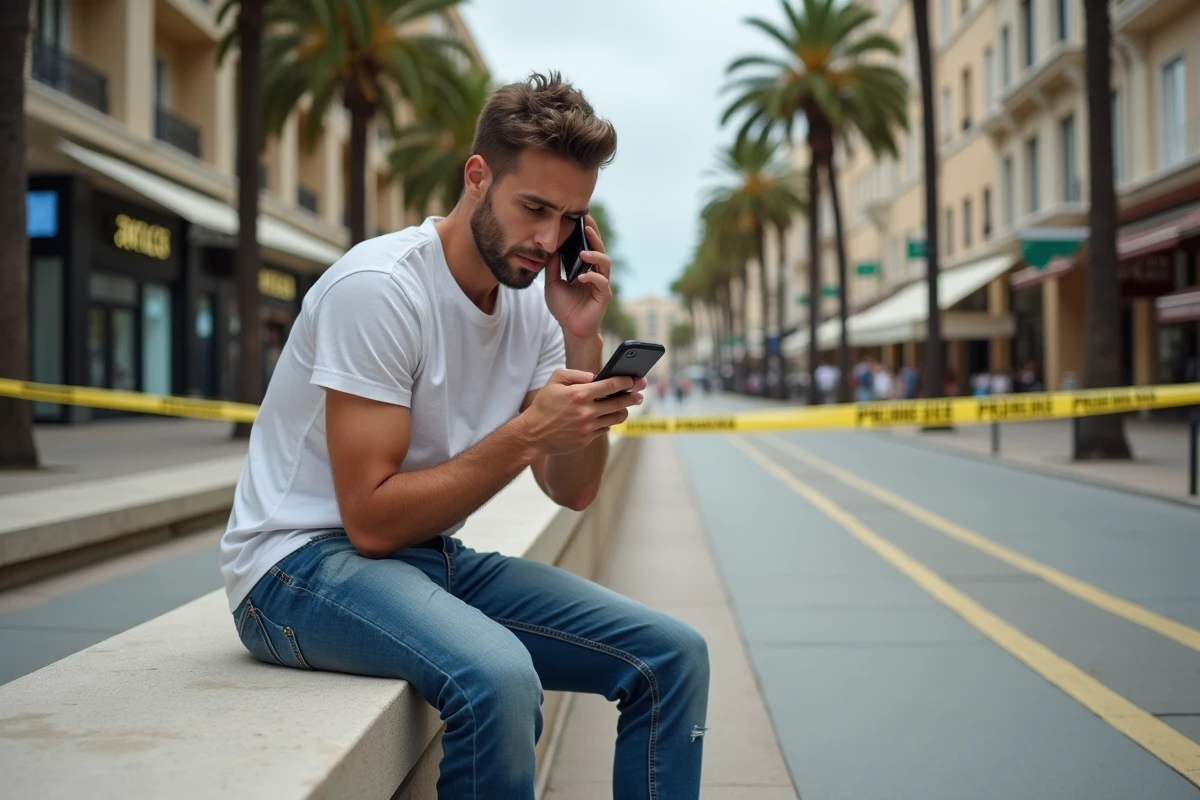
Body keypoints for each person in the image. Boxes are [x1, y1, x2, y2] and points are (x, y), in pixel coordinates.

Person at [219, 73, 709, 800]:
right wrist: (522, 434)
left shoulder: (539, 308)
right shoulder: (380, 290)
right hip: (294, 572)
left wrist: (581, 338)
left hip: (425, 561)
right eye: (534, 208)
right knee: (499, 678)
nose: (548, 240)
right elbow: (371, 521)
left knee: (674, 655)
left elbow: (572, 490)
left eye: (569, 218)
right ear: (478, 177)